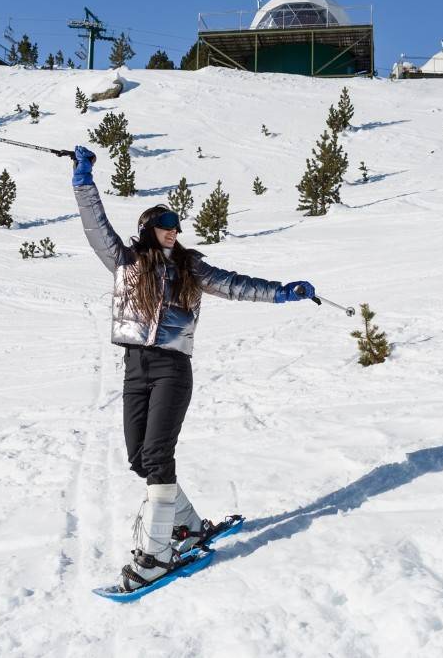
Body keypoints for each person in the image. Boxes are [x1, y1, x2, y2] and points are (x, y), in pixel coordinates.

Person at [71, 146, 315, 592]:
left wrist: (282, 291)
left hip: (171, 368)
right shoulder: (125, 263)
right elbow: (96, 228)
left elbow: (234, 284)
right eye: (165, 224)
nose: (174, 230)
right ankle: (191, 528)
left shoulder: (189, 268)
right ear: (148, 228)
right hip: (135, 367)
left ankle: (156, 554)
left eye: (177, 226)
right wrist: (84, 182)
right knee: (139, 459)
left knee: (159, 457)